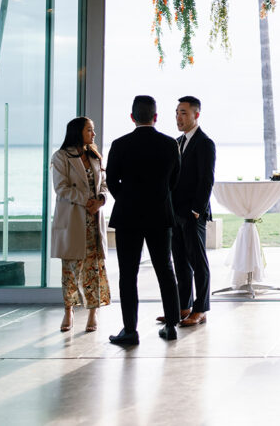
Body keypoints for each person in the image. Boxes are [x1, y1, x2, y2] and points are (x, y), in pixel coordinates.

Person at [106, 95, 182, 346]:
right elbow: (174, 180)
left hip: (128, 217)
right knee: (165, 270)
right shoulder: (170, 144)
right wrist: (159, 197)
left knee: (128, 274)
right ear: (156, 117)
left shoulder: (119, 144)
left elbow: (112, 181)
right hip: (160, 214)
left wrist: (126, 199)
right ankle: (171, 325)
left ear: (132, 117)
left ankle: (130, 330)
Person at [50, 116, 111, 333]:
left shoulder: (94, 155)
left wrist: (101, 200)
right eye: (89, 130)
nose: (93, 134)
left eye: (93, 130)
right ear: (78, 132)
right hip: (73, 220)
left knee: (94, 270)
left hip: (94, 221)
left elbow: (104, 183)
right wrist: (87, 199)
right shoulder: (61, 157)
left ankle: (93, 313)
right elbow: (61, 188)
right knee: (71, 270)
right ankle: (69, 310)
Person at [167, 95, 216, 329]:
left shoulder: (205, 143)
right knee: (180, 263)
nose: (179, 116)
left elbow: (207, 179)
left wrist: (197, 210)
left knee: (198, 263)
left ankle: (201, 309)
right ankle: (184, 306)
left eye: (184, 112)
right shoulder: (177, 141)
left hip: (194, 214)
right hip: (175, 213)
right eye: (177, 112)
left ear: (196, 115)